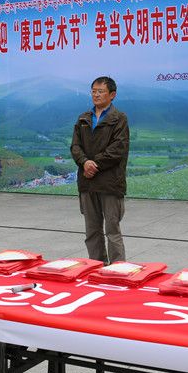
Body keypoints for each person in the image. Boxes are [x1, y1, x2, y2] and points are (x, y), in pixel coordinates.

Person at [70, 76, 130, 264]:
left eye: (100, 91)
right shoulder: (83, 118)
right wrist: (84, 162)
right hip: (87, 183)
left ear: (112, 95)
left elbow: (118, 149)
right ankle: (96, 267)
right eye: (93, 91)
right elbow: (75, 146)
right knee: (92, 231)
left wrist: (93, 164)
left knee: (112, 231)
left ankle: (118, 270)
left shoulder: (119, 118)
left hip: (110, 183)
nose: (96, 95)